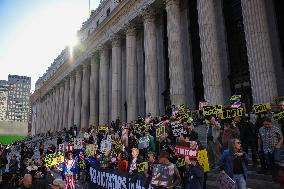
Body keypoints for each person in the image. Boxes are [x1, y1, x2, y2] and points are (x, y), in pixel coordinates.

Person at [258, 117, 283, 181]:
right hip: (266, 149)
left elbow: (281, 138)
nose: (266, 126)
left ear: (270, 123)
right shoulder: (261, 129)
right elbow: (259, 138)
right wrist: (259, 147)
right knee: (270, 164)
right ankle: (275, 178)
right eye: (265, 124)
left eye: (267, 124)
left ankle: (279, 176)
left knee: (277, 161)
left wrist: (278, 144)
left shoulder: (276, 129)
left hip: (275, 148)